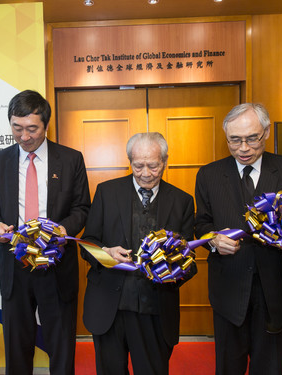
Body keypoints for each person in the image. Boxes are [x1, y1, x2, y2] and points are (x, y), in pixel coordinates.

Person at [194, 103, 282, 375]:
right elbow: (201, 224)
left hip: (275, 289)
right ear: (226, 136)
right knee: (228, 367)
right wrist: (213, 241)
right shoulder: (209, 174)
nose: (243, 148)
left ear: (266, 132)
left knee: (270, 368)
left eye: (251, 138)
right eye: (235, 140)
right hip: (228, 288)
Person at [0, 89, 90, 375]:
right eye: (17, 128)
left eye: (32, 129)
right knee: (16, 342)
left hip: (56, 265)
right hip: (14, 264)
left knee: (61, 343)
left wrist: (62, 230)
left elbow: (82, 208)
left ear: (46, 125)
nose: (24, 136)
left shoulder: (70, 159)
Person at [81, 132, 196, 375]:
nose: (146, 173)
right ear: (129, 161)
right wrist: (105, 253)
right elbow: (88, 243)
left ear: (164, 161)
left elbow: (189, 260)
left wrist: (170, 270)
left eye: (153, 166)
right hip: (109, 307)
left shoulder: (182, 201)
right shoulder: (106, 192)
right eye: (138, 165)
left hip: (155, 309)